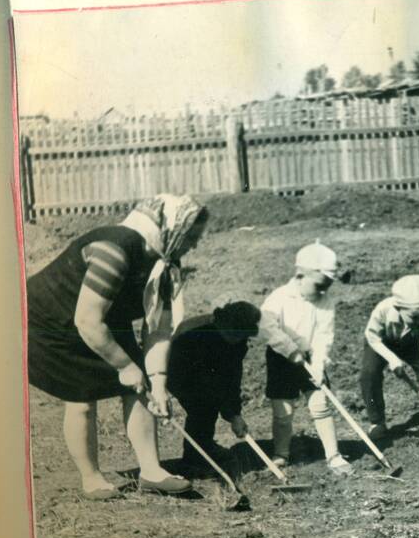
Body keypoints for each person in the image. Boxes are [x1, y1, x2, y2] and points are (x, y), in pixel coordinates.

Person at [26, 194, 209, 499]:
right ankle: (91, 478)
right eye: (191, 235)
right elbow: (86, 321)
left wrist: (159, 384)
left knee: (141, 386)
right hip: (49, 321)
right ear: (172, 228)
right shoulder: (114, 250)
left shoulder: (165, 263)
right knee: (82, 394)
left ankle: (151, 471)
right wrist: (124, 366)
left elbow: (158, 331)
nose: (194, 244)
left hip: (104, 319)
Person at [260, 242, 352, 476]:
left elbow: (324, 335)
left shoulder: (325, 301)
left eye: (327, 287)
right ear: (301, 275)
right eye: (319, 285)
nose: (322, 291)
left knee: (320, 404)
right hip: (281, 358)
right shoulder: (279, 297)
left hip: (311, 358)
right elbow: (268, 328)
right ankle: (281, 454)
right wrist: (291, 351)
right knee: (283, 412)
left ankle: (333, 455)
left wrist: (319, 364)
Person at [166, 298, 262, 477]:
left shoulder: (238, 341)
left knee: (208, 405)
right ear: (224, 324)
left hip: (205, 375)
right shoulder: (195, 334)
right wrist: (227, 411)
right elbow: (206, 382)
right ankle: (192, 460)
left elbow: (232, 378)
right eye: (233, 336)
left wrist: (234, 414)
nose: (236, 340)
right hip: (177, 369)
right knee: (202, 407)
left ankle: (204, 445)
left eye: (240, 338)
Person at [361, 274, 419, 438]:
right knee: (369, 374)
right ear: (399, 308)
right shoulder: (382, 310)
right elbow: (372, 338)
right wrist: (392, 359)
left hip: (410, 341)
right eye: (414, 317)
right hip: (380, 343)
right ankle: (377, 422)